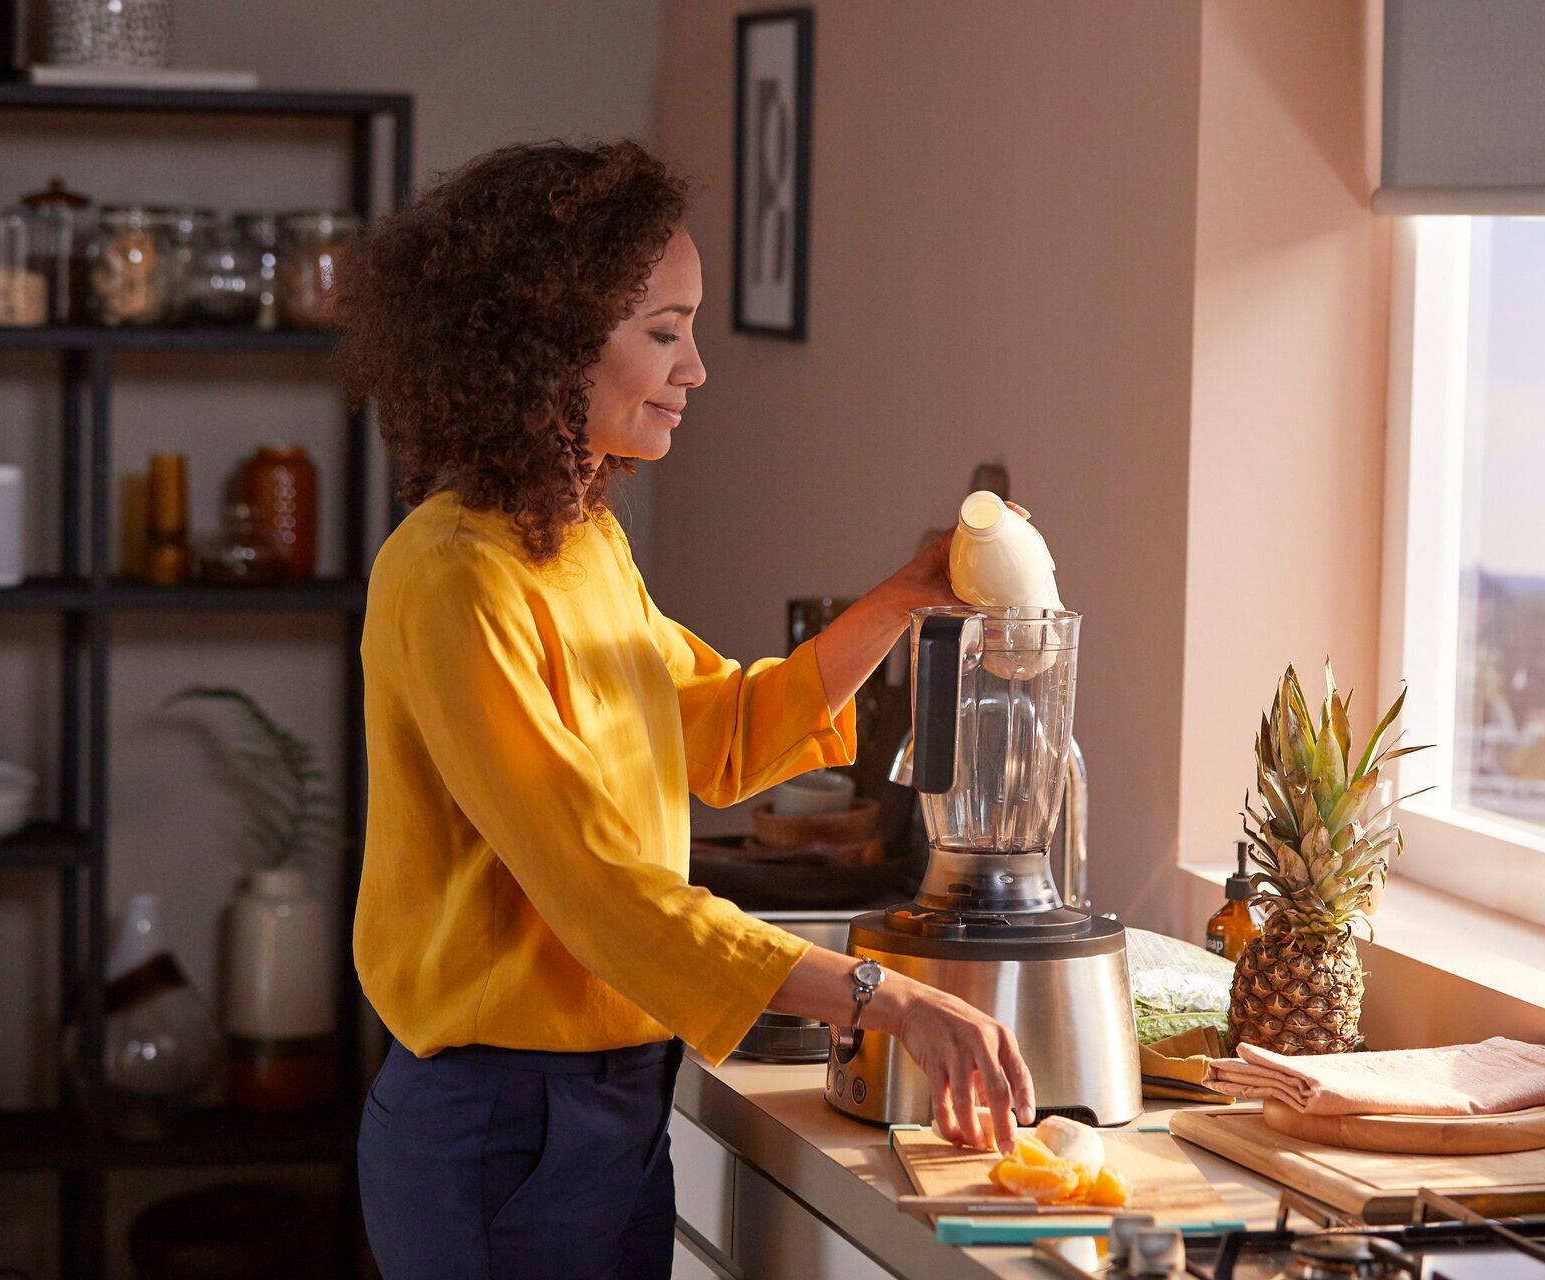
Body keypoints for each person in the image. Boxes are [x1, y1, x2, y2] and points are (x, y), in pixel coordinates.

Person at [340, 139, 1035, 1280]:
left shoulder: (582, 542)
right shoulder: (454, 575)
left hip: (615, 1097)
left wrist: (906, 597)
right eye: (664, 330)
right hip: (500, 1122)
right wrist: (880, 994)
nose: (695, 367)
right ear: (548, 345)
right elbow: (602, 893)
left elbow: (723, 730)